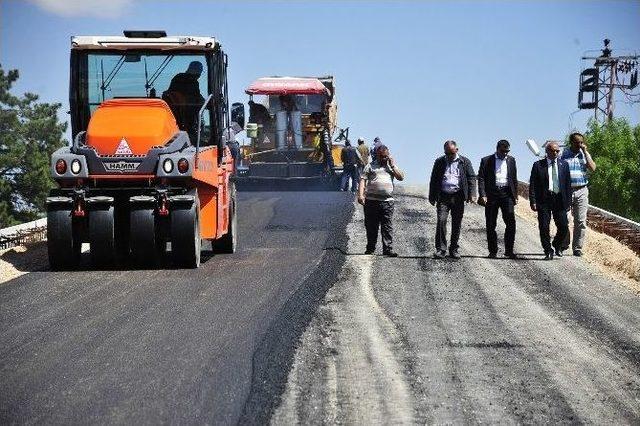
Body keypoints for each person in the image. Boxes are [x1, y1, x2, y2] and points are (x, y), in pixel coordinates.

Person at [428, 140, 477, 259]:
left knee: (457, 223)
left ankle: (454, 249)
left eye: (451, 153)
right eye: (447, 153)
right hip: (443, 197)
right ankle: (441, 249)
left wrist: (472, 194)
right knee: (441, 220)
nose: (449, 156)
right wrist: (432, 196)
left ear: (457, 150)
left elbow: (471, 178)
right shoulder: (440, 161)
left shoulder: (465, 161)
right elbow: (434, 179)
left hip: (458, 196)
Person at [358, 145, 404, 256]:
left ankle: (388, 249)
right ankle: (370, 248)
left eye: (385, 156)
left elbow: (401, 177)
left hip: (387, 202)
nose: (384, 158)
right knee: (371, 226)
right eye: (381, 156)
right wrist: (360, 195)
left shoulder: (391, 167)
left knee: (387, 226)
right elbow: (363, 180)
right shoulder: (370, 166)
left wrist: (392, 166)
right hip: (371, 201)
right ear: (377, 156)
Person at [529, 141, 572, 260]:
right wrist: (532, 200)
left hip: (559, 200)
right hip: (544, 200)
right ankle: (547, 250)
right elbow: (532, 184)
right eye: (552, 150)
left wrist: (568, 203)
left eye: (557, 151)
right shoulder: (538, 165)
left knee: (563, 227)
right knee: (544, 226)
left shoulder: (564, 165)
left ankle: (557, 244)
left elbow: (568, 185)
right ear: (547, 151)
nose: (555, 153)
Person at [478, 140, 519, 259]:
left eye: (507, 151)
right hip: (492, 195)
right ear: (497, 149)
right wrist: (482, 194)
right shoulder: (486, 160)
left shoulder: (511, 160)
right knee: (491, 224)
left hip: (507, 194)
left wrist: (515, 195)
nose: (505, 153)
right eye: (503, 151)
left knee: (511, 223)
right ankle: (493, 251)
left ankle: (509, 251)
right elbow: (481, 178)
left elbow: (514, 179)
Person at [560, 132, 596, 257]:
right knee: (565, 219)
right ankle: (564, 243)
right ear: (571, 142)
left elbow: (593, 168)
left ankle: (577, 248)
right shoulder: (563, 154)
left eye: (581, 142)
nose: (579, 144)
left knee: (580, 221)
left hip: (582, 189)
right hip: (567, 190)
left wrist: (585, 152)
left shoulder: (584, 154)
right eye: (577, 142)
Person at [164, 61, 206, 143]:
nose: (199, 75)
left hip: (178, 112)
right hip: (185, 112)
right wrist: (204, 102)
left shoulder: (178, 77)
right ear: (196, 72)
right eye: (199, 73)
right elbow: (195, 97)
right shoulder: (192, 82)